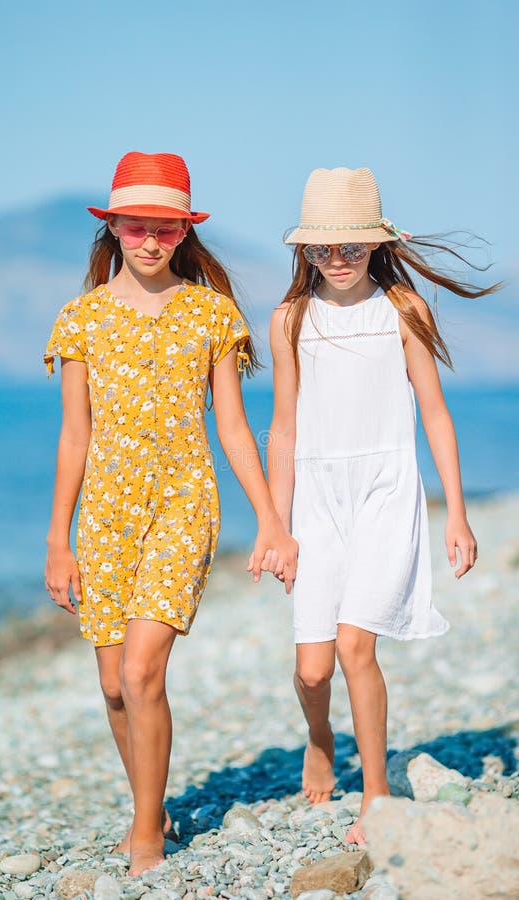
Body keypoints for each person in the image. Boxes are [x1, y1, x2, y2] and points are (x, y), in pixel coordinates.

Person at [43, 151, 298, 875]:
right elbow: (74, 436)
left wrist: (272, 521)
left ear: (185, 233)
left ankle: (148, 837)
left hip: (185, 505)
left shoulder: (213, 316)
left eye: (166, 228)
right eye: (137, 227)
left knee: (144, 669)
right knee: (113, 683)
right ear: (113, 228)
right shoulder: (81, 320)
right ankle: (147, 807)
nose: (150, 241)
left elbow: (235, 430)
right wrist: (57, 541)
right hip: (104, 515)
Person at [267, 166, 499, 843]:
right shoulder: (289, 318)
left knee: (354, 645)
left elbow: (434, 411)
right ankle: (319, 738)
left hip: (387, 490)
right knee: (312, 668)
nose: (336, 261)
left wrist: (455, 511)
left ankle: (374, 796)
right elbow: (283, 427)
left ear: (377, 245)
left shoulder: (403, 310)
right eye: (321, 249)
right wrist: (276, 527)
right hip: (315, 494)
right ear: (304, 251)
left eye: (351, 247)